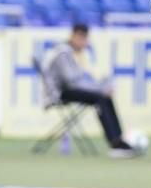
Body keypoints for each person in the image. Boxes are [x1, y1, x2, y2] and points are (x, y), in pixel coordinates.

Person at [43, 23, 136, 158]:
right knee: (101, 98)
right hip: (59, 93)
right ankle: (115, 143)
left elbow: (78, 81)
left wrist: (100, 88)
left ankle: (119, 140)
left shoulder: (68, 52)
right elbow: (72, 82)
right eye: (84, 39)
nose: (85, 44)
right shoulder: (62, 53)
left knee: (104, 97)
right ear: (76, 36)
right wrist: (100, 89)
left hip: (67, 89)